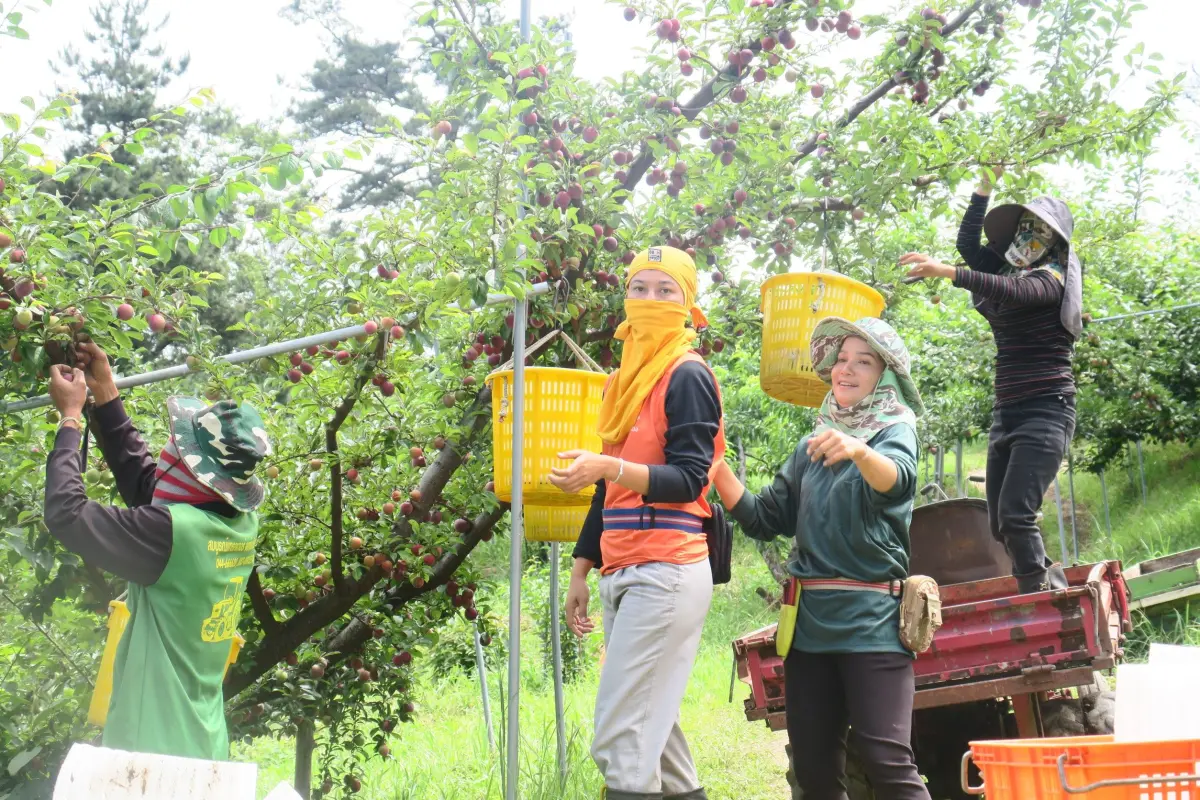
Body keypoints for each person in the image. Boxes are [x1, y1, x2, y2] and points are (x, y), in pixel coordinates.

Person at [710, 316, 928, 800]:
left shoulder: (894, 432)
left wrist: (857, 450)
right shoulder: (812, 445)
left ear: (885, 376)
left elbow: (899, 480)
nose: (846, 370)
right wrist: (716, 469)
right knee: (813, 771)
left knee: (886, 760)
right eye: (842, 359)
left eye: (863, 362)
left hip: (872, 623)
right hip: (809, 628)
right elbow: (767, 518)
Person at [552, 245, 724, 800]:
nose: (650, 300)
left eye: (665, 290)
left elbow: (691, 479)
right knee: (656, 729)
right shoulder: (623, 381)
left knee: (622, 738)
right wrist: (582, 570)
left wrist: (611, 464)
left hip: (667, 568)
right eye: (640, 288)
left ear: (687, 301)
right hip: (624, 566)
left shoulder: (686, 374)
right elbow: (610, 490)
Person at [44, 342, 271, 761]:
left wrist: (71, 421)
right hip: (203, 741)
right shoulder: (237, 524)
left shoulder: (168, 535)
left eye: (176, 449)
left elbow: (66, 514)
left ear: (192, 472)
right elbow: (150, 490)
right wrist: (106, 394)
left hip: (151, 757)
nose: (166, 451)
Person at [900, 167, 1083, 593]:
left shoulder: (1050, 281)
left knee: (1018, 515)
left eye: (1039, 233)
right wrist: (983, 187)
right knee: (1000, 524)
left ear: (1054, 243)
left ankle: (1038, 601)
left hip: (1047, 408)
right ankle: (1050, 583)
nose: (1027, 240)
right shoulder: (1008, 269)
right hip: (1008, 411)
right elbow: (966, 245)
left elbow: (1014, 294)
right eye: (1025, 230)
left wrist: (946, 273)